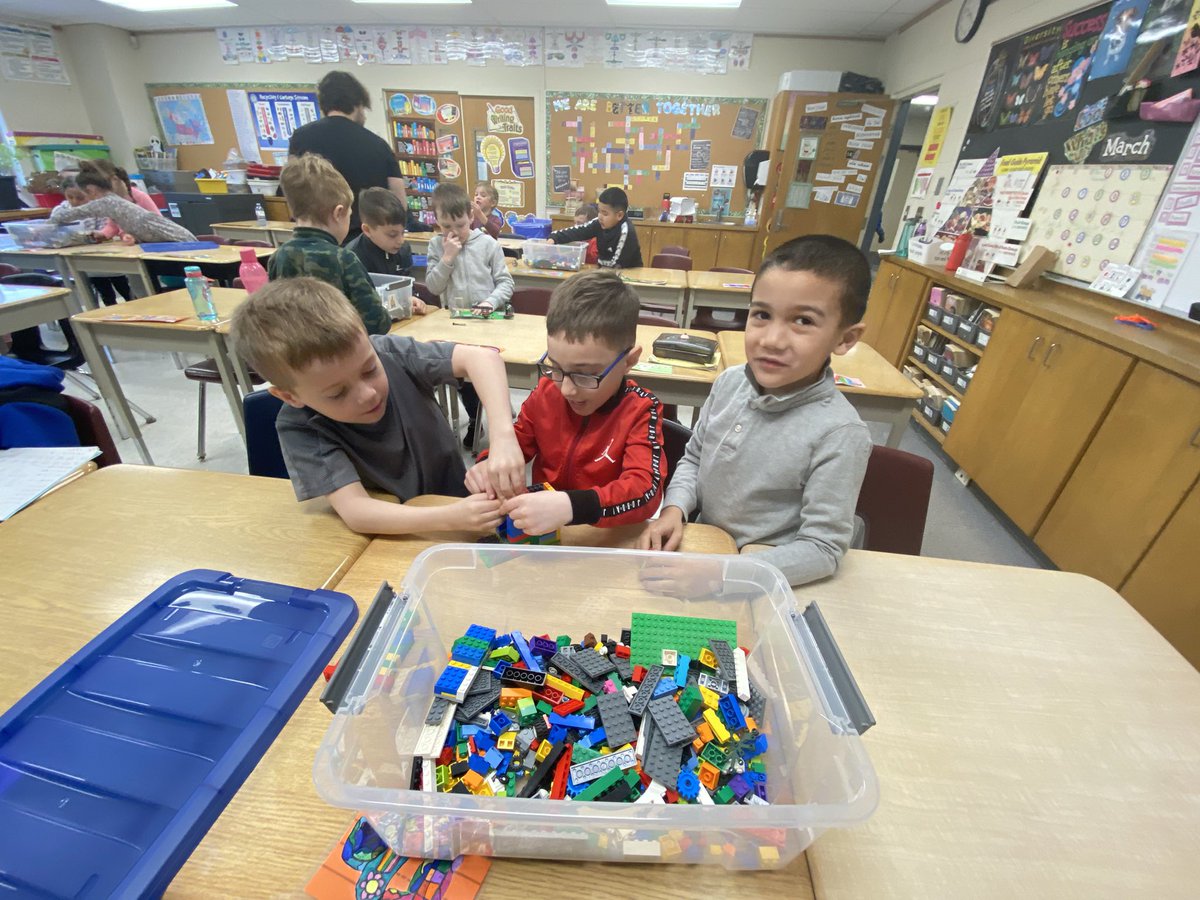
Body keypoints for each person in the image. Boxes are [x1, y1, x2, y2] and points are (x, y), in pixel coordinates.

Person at [639, 234, 873, 586]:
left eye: (803, 321)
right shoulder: (729, 383)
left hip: (763, 575)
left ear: (845, 339)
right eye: (762, 314)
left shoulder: (840, 434)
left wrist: (723, 576)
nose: (771, 340)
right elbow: (695, 458)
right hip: (706, 548)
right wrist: (675, 509)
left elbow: (823, 549)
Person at [230, 277, 525, 535]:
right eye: (337, 393)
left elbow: (483, 358)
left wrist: (503, 437)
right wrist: (449, 518)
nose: (367, 394)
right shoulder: (300, 426)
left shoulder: (389, 352)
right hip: (399, 533)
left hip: (456, 502)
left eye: (370, 369)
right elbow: (357, 511)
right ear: (290, 396)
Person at [466, 270, 665, 533]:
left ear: (629, 360)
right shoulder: (548, 391)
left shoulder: (641, 409)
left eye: (585, 374)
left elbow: (646, 492)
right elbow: (517, 441)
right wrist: (488, 464)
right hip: (545, 535)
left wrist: (571, 506)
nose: (568, 390)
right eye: (556, 367)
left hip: (601, 537)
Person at [425, 183, 514, 447]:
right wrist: (447, 258)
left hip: (488, 324)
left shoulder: (488, 244)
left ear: (471, 217)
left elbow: (506, 283)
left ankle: (504, 414)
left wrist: (490, 301)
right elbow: (433, 286)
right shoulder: (436, 246)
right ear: (437, 222)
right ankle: (475, 420)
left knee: (493, 373)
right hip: (456, 325)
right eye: (446, 227)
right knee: (464, 378)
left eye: (461, 226)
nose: (454, 233)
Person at [267, 155, 391, 336]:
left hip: (298, 357)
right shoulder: (343, 259)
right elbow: (376, 323)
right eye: (349, 214)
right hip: (342, 355)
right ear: (338, 213)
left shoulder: (278, 257)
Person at [287, 70, 406, 241]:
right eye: (364, 109)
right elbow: (399, 201)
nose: (364, 115)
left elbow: (292, 193)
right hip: (365, 241)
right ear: (358, 103)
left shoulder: (300, 138)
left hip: (314, 239)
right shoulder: (378, 145)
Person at [48, 168, 196, 243]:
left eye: (84, 194)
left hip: (176, 240)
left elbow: (68, 215)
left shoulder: (107, 202)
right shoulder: (112, 201)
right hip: (165, 241)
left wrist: (46, 225)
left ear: (91, 190)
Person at [547, 187, 642, 268]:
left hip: (627, 278)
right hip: (604, 273)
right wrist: (554, 238)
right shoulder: (598, 222)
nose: (600, 216)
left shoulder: (626, 231)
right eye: (599, 211)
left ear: (619, 215)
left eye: (605, 213)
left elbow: (617, 265)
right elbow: (578, 231)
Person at [346, 187, 420, 286]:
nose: (401, 241)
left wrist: (411, 297)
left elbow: (407, 286)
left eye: (402, 232)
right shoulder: (352, 257)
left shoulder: (403, 249)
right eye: (392, 235)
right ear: (367, 230)